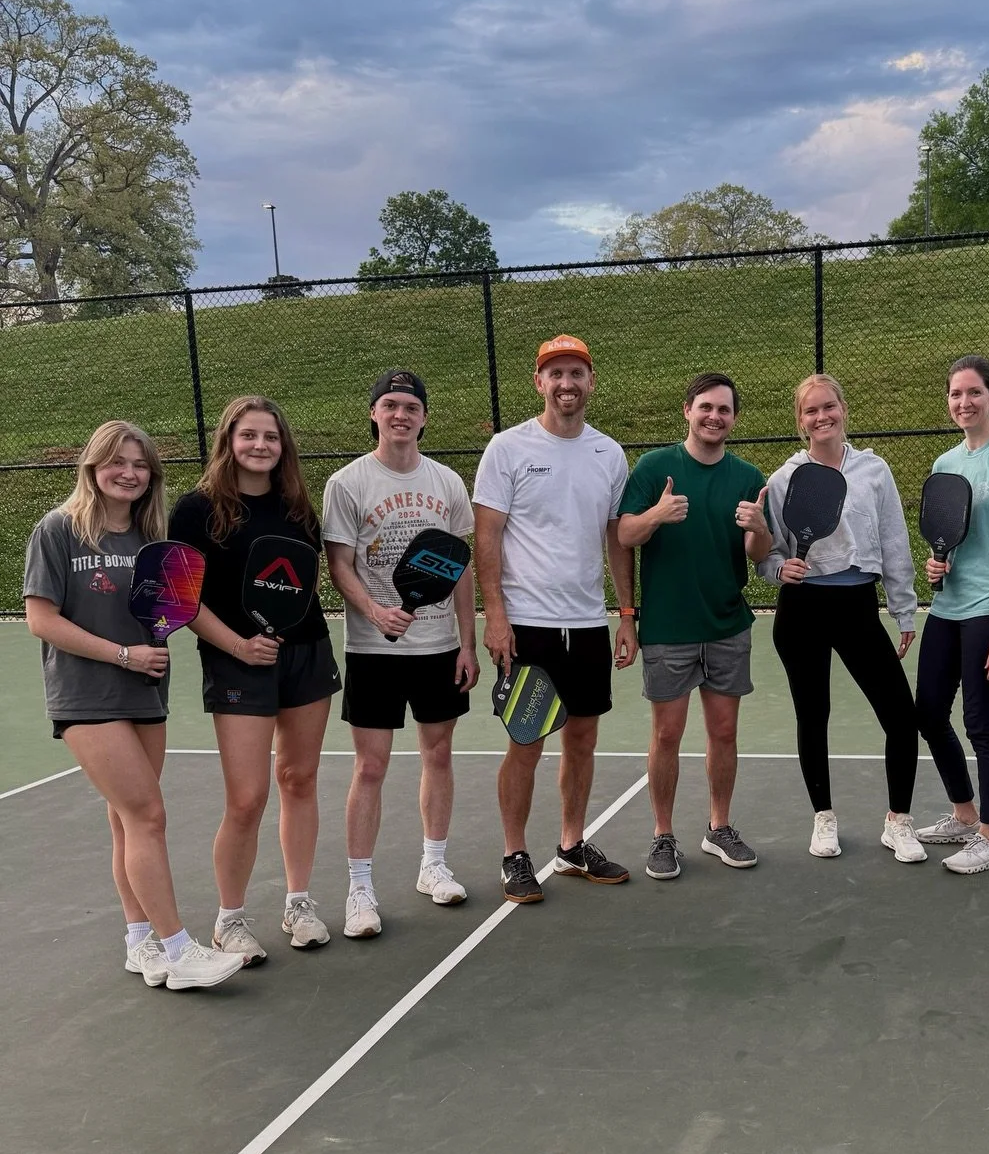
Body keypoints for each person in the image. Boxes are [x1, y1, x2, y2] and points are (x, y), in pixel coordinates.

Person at [22, 421, 245, 992]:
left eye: (140, 464)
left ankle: (139, 940)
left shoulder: (153, 539)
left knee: (127, 821)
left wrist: (241, 646)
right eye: (117, 462)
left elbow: (180, 610)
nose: (128, 473)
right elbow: (41, 619)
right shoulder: (60, 531)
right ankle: (178, 948)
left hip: (146, 693)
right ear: (93, 468)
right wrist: (124, 655)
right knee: (148, 814)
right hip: (86, 695)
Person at [170, 396, 342, 960]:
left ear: (282, 445)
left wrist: (285, 635)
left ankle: (299, 903)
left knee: (299, 778)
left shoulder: (297, 507)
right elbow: (183, 599)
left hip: (306, 653)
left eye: (271, 436)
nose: (260, 446)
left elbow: (303, 583)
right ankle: (231, 920)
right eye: (249, 435)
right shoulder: (195, 510)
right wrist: (240, 645)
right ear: (229, 441)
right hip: (235, 660)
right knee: (247, 798)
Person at [473, 334, 638, 905]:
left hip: (588, 624)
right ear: (539, 382)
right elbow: (486, 537)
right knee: (527, 741)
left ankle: (571, 846)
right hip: (528, 624)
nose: (566, 383)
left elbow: (617, 540)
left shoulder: (608, 454)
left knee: (583, 741)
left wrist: (625, 613)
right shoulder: (508, 448)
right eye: (555, 373)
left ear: (591, 381)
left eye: (576, 373)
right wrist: (495, 615)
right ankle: (515, 854)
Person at [322, 370, 479, 938]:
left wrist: (467, 641)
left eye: (411, 406)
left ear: (424, 417)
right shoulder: (347, 482)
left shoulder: (448, 483)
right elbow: (339, 562)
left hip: (438, 646)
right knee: (371, 766)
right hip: (372, 649)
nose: (400, 415)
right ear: (374, 413)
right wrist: (373, 611)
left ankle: (433, 865)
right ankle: (359, 889)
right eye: (389, 404)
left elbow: (458, 566)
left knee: (438, 756)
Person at [616, 373, 773, 879]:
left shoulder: (748, 476)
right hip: (668, 627)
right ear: (687, 410)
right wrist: (657, 514)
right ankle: (663, 836)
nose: (714, 417)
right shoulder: (655, 467)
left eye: (724, 410)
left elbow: (758, 555)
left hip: (727, 623)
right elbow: (623, 534)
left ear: (733, 419)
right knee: (667, 734)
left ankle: (718, 827)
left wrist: (760, 529)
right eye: (706, 407)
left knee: (724, 731)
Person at [761, 373, 922, 862]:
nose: (821, 417)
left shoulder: (874, 470)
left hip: (857, 606)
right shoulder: (784, 477)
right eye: (811, 411)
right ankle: (823, 819)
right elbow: (766, 553)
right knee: (814, 716)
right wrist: (775, 569)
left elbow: (894, 539)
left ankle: (899, 822)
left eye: (828, 407)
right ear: (800, 421)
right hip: (802, 610)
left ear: (843, 409)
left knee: (900, 715)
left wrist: (904, 608)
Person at [913, 356, 989, 876]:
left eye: (973, 393)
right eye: (955, 394)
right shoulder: (945, 464)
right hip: (948, 605)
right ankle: (965, 815)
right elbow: (949, 538)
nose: (964, 403)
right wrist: (935, 567)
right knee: (928, 713)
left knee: (981, 721)